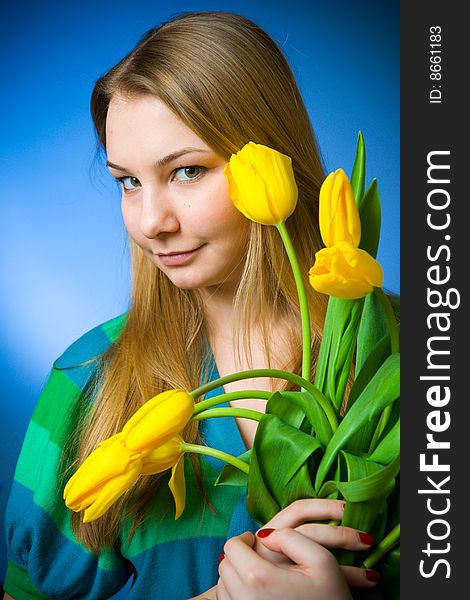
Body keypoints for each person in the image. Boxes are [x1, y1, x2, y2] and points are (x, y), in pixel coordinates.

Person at [3, 11, 382, 600]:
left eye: (186, 171)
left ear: (272, 156)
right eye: (128, 181)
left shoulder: (414, 355)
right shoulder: (87, 378)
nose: (151, 223)